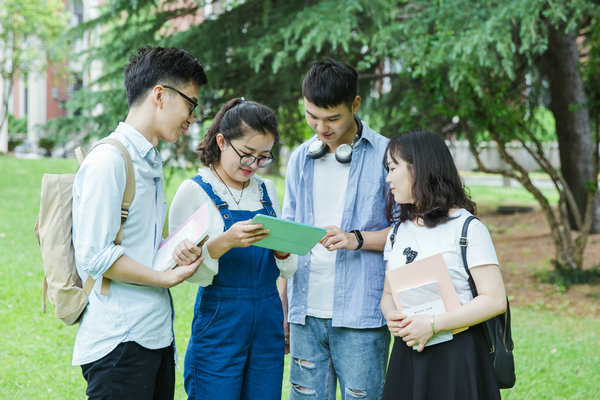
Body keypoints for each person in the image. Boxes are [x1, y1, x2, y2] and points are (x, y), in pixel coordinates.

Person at [71, 46, 208, 399]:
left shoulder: (149, 160)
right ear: (160, 95)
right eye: (191, 103)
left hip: (154, 335)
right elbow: (96, 256)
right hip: (120, 343)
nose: (193, 117)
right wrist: (163, 276)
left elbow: (139, 245)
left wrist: (173, 253)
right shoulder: (109, 160)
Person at [168, 97, 297, 400]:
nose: (254, 165)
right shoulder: (194, 191)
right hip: (221, 319)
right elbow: (181, 271)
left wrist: (282, 252)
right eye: (247, 155)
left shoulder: (265, 191)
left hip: (267, 317)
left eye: (264, 157)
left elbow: (286, 268)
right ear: (222, 142)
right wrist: (225, 241)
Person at [280, 59, 391, 399]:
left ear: (355, 105)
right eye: (311, 116)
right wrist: (283, 300)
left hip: (362, 315)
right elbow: (288, 233)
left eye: (332, 118)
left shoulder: (387, 155)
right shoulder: (300, 158)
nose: (320, 128)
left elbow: (409, 234)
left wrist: (355, 239)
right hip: (305, 312)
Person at [380, 129, 507, 400]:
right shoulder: (397, 232)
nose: (388, 178)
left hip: (458, 357)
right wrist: (391, 316)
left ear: (420, 168)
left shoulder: (468, 229)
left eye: (393, 168)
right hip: (409, 355)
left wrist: (434, 324)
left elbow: (495, 300)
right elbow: (388, 295)